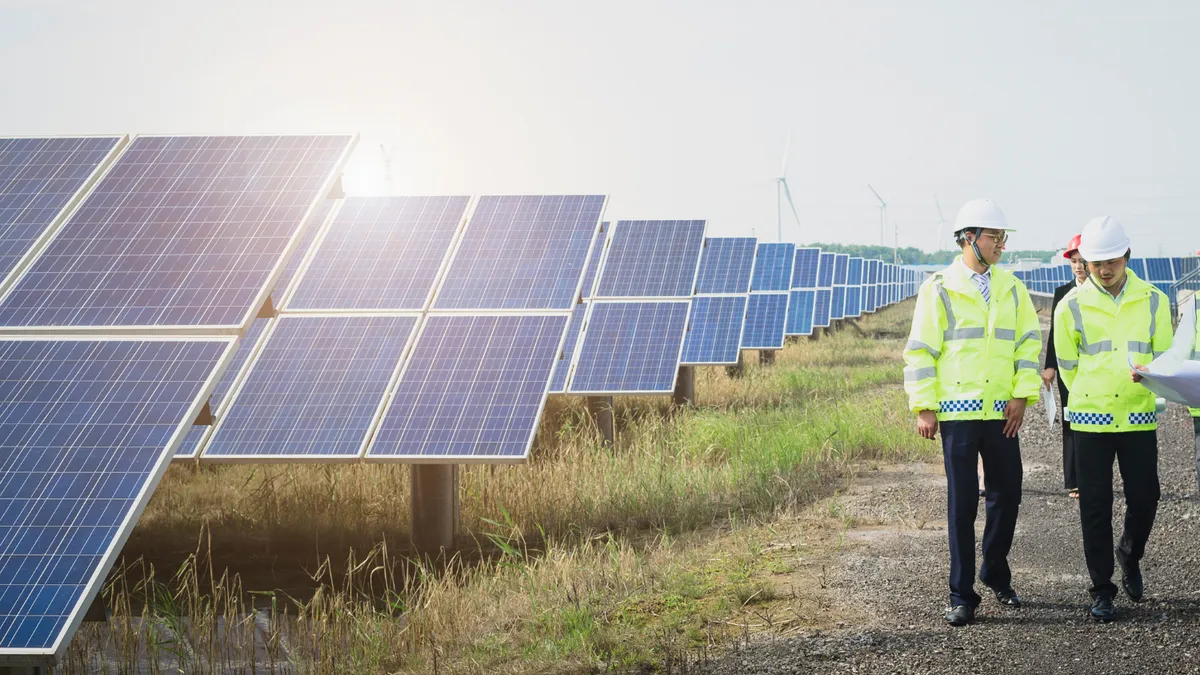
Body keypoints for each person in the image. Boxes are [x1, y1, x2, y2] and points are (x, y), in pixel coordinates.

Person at [903, 198, 1041, 626]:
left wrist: (1021, 394)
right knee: (962, 505)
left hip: (1003, 411)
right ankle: (962, 595)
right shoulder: (939, 288)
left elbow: (1027, 345)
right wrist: (924, 405)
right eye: (993, 236)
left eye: (1002, 237)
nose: (1001, 244)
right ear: (968, 239)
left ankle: (994, 570)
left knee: (1009, 495)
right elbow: (921, 350)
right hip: (959, 414)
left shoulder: (1012, 288)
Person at [1052, 216, 1171, 622]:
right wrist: (1092, 392)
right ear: (1085, 260)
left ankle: (1130, 553)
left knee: (1145, 499)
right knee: (1095, 509)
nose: (1104, 270)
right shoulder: (1070, 305)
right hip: (1090, 419)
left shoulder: (1154, 299)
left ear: (1127, 256)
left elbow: (1166, 357)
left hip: (1137, 415)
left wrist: (1150, 375)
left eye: (1112, 262)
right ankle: (1102, 588)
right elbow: (1067, 366)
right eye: (1096, 262)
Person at [1042, 235, 1090, 498]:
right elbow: (1054, 335)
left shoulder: (1100, 292)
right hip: (1066, 368)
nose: (1078, 266)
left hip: (1093, 367)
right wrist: (1050, 367)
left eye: (1082, 261)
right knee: (1070, 421)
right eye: (1074, 261)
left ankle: (1092, 476)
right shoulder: (1062, 293)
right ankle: (1074, 480)